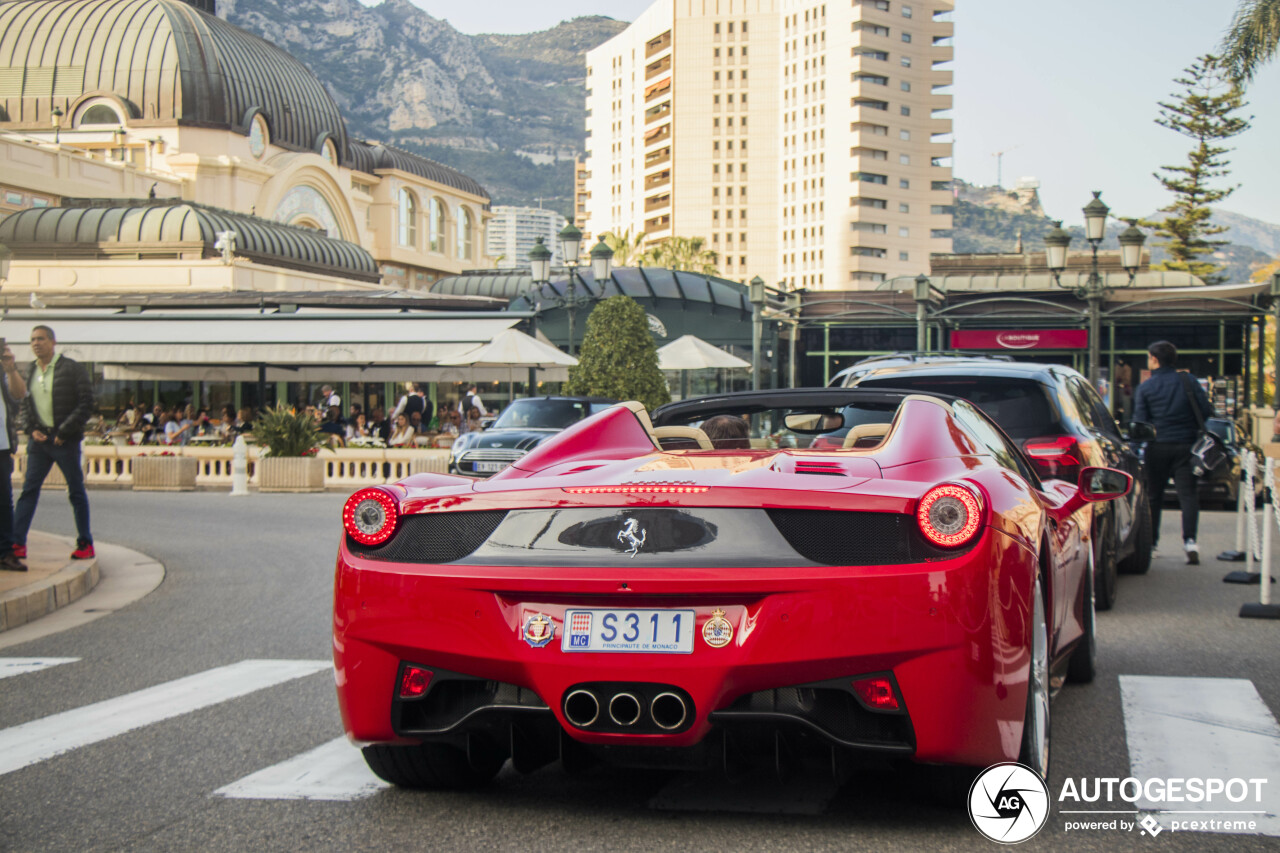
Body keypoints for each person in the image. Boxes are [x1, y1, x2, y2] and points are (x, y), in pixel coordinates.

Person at [13, 325, 96, 561]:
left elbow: (86, 403)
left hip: (65, 441)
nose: (35, 343)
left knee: (76, 492)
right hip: (40, 442)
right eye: (32, 340)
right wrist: (31, 430)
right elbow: (26, 405)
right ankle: (18, 543)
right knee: (28, 491)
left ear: (52, 342)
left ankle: (85, 543)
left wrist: (64, 431)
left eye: (40, 339)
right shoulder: (30, 370)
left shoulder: (71, 369)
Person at [1132, 340, 1212, 564]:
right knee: (1188, 495)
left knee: (1154, 497)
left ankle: (1153, 543)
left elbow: (1140, 423)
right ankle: (1190, 542)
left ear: (1154, 359)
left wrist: (1135, 447)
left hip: (1157, 448)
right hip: (1186, 446)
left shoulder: (1146, 387)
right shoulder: (1189, 381)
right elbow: (1206, 410)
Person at [0, 342, 29, 571]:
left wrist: (10, 369)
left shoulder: (4, 371)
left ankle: (6, 552)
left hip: (1, 445)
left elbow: (19, 396)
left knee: (3, 501)